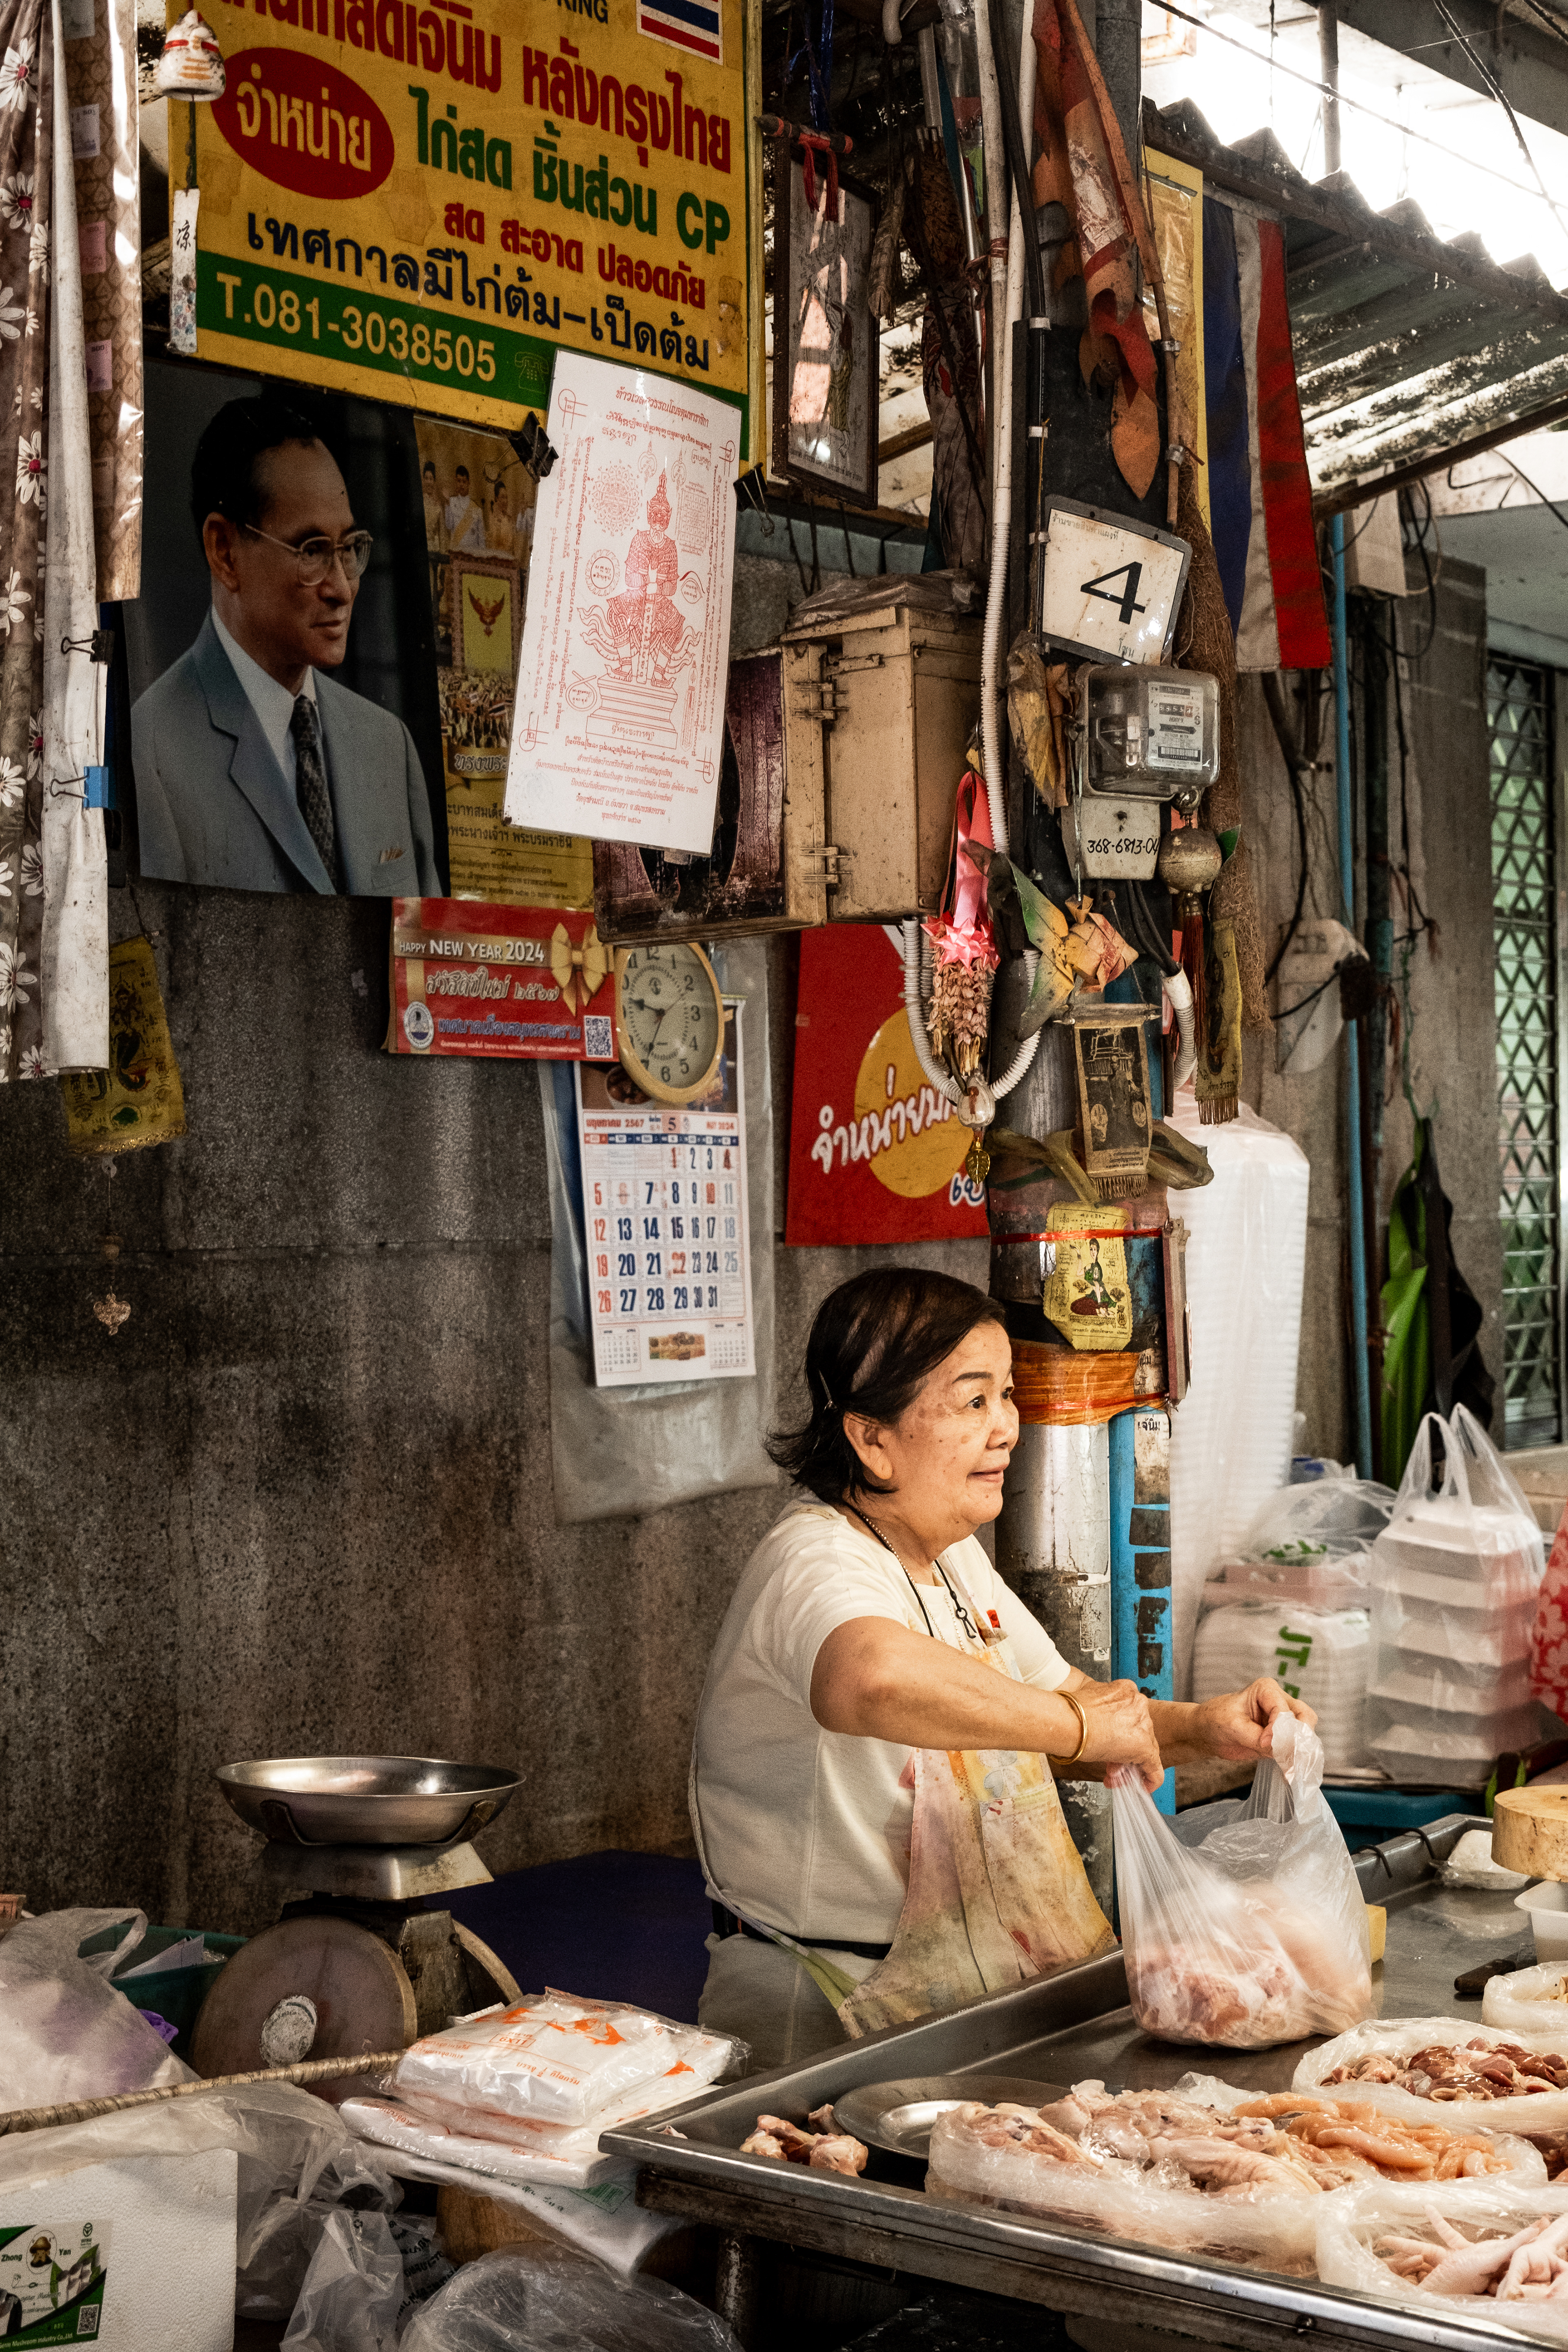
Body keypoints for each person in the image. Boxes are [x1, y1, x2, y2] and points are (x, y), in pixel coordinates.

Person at [691, 1268, 1315, 2067]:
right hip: (826, 2012)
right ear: (872, 1437)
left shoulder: (952, 1561)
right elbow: (871, 1676)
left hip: (958, 1999)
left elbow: (1076, 1703)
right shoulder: (813, 1560)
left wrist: (1203, 1728)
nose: (1006, 1428)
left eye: (1007, 1396)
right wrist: (1077, 1726)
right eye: (972, 1401)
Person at [131, 396, 439, 897]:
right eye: (312, 551)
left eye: (350, 549)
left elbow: (431, 964)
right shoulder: (150, 753)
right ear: (225, 552)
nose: (342, 587)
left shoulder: (388, 747)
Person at [443, 462, 486, 552]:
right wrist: (447, 504)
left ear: (469, 483)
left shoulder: (477, 510)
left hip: (473, 555)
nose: (462, 485)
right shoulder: (451, 502)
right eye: (459, 481)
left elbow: (482, 540)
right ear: (456, 482)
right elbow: (449, 525)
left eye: (464, 482)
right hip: (457, 552)